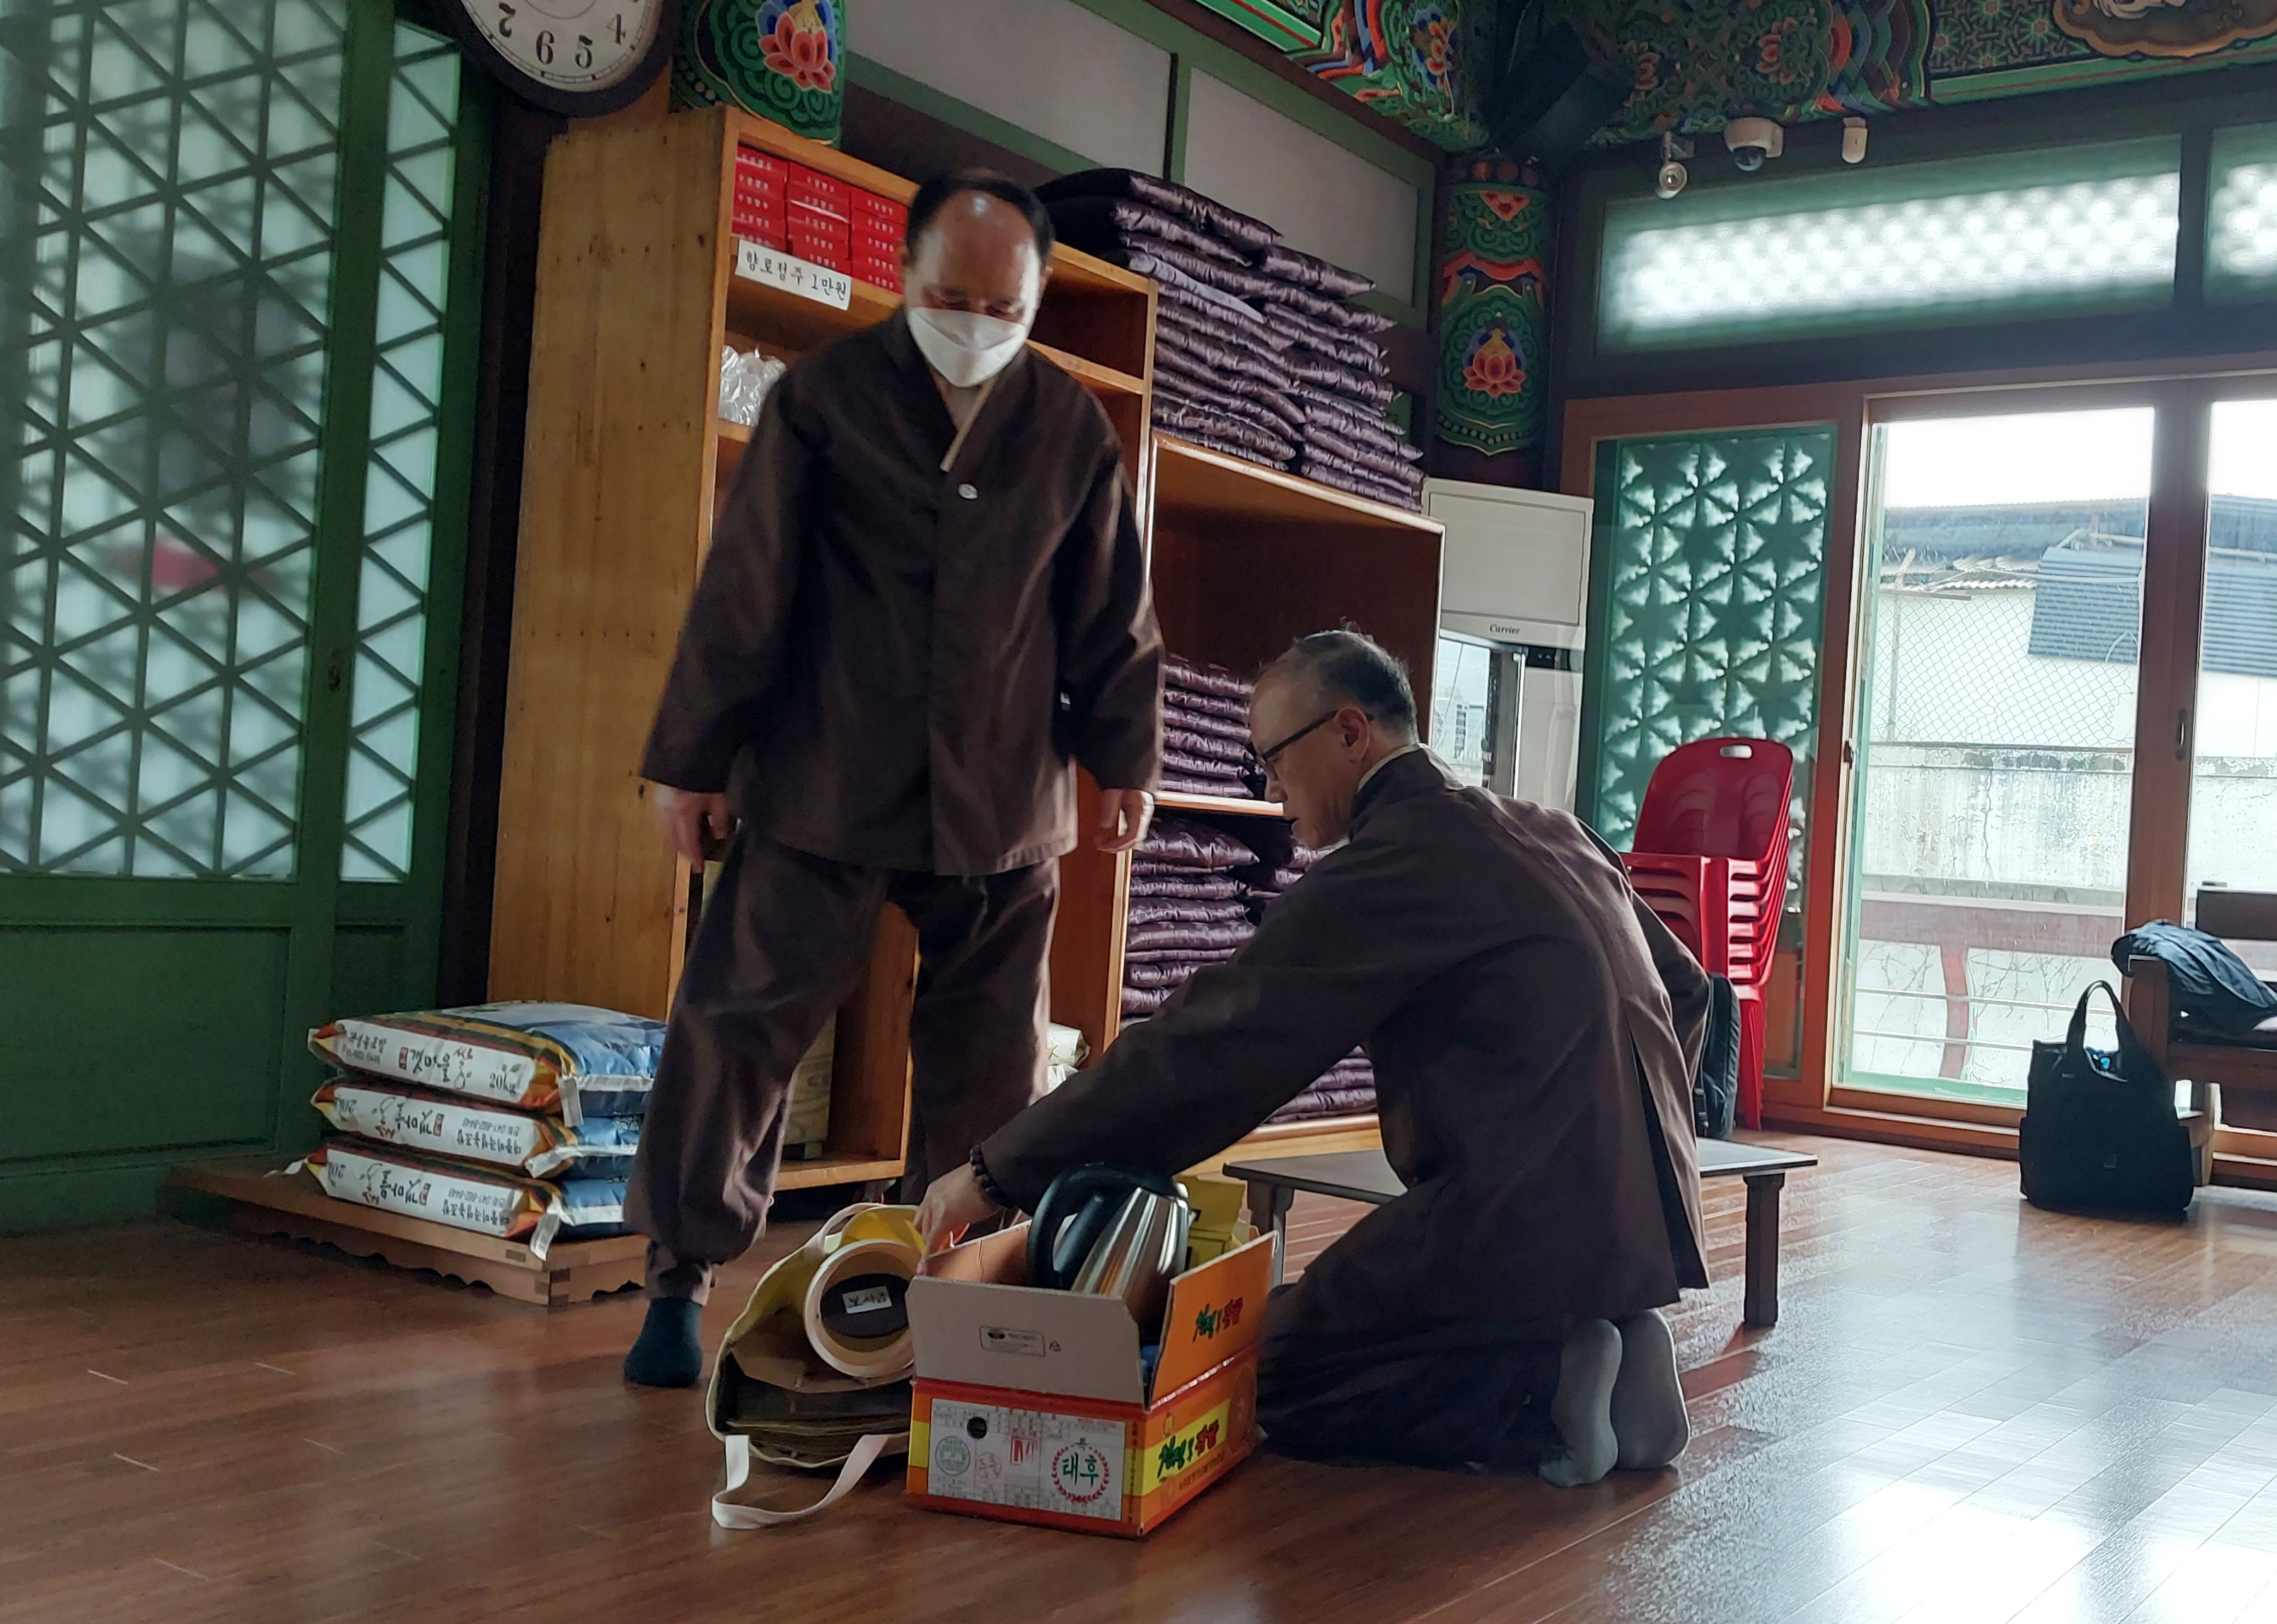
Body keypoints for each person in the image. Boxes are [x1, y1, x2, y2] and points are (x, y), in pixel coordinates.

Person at [917, 631, 1711, 1486]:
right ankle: (1600, 1332)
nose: (1271, 789)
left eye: (1274, 760)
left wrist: (997, 1170)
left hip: (1515, 1213)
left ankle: (1544, 1384)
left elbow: (1209, 1043)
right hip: (1646, 1215)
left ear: (1349, 732)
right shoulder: (1551, 827)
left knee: (1268, 1369)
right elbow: (1690, 988)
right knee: (1307, 1317)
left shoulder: (1398, 859)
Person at [621, 171, 1163, 1387]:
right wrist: (692, 761)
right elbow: (744, 588)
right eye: (952, 297)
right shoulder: (823, 399)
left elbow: (1113, 613)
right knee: (737, 1029)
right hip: (826, 771)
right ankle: (676, 1280)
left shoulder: (1071, 427)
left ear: (1036, 299)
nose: (976, 323)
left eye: (1003, 306)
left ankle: (950, 1294)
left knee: (994, 1067)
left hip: (1004, 793)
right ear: (907, 278)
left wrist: (1124, 756)